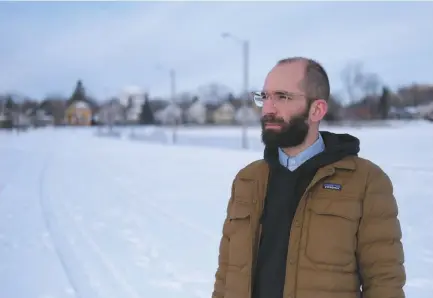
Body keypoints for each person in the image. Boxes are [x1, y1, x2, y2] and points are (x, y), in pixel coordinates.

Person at [211, 57, 406, 298]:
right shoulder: (247, 180)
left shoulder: (366, 181)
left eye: (282, 97)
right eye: (265, 96)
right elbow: (226, 274)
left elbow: (385, 281)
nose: (268, 108)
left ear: (317, 110)